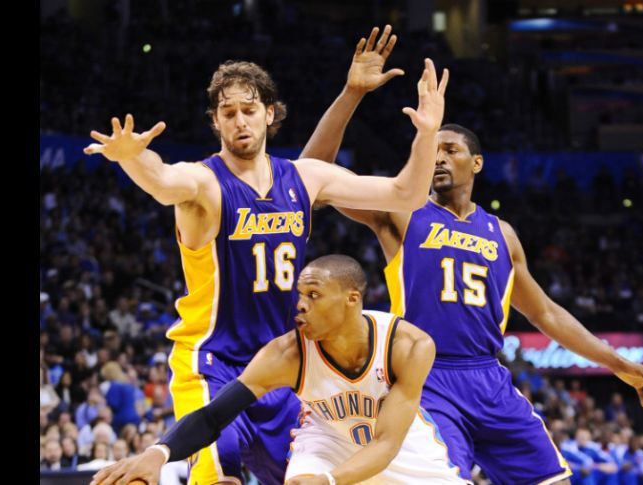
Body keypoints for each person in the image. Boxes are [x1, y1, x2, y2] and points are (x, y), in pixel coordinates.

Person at [84, 24, 448, 485]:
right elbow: (163, 181)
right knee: (222, 476)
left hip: (286, 362)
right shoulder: (205, 184)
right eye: (228, 112)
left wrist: (427, 134)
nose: (239, 120)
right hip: (213, 360)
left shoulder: (305, 177)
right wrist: (132, 158)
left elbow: (405, 194)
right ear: (215, 121)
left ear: (269, 114)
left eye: (248, 110)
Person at [300, 88, 643, 485]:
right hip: (426, 379)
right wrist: (352, 92)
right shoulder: (402, 212)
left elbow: (545, 313)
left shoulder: (503, 235)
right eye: (435, 149)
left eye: (451, 150)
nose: (440, 157)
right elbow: (313, 174)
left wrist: (616, 362)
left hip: (489, 380)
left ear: (477, 163)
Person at [91, 256, 469, 485]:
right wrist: (157, 453)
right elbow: (213, 416)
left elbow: (386, 445)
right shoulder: (287, 354)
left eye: (314, 296)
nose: (300, 306)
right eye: (300, 295)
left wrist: (332, 481)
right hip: (326, 440)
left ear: (352, 300)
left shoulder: (409, 345)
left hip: (403, 450)